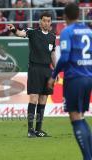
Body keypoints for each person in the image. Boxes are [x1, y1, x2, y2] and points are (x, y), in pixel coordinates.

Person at [48, 3, 92, 159]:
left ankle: (88, 157)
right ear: (79, 15)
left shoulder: (67, 31)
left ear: (64, 16)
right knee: (80, 116)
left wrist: (53, 76)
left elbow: (65, 57)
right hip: (88, 77)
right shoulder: (88, 30)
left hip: (74, 78)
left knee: (74, 116)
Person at [7, 12, 56, 137]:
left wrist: (55, 70)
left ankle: (39, 130)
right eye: (44, 20)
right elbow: (20, 33)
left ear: (51, 22)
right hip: (35, 68)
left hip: (47, 70)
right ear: (40, 21)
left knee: (43, 99)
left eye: (49, 21)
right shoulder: (33, 32)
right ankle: (30, 130)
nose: (46, 23)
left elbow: (53, 54)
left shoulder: (52, 36)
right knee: (34, 98)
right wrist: (14, 30)